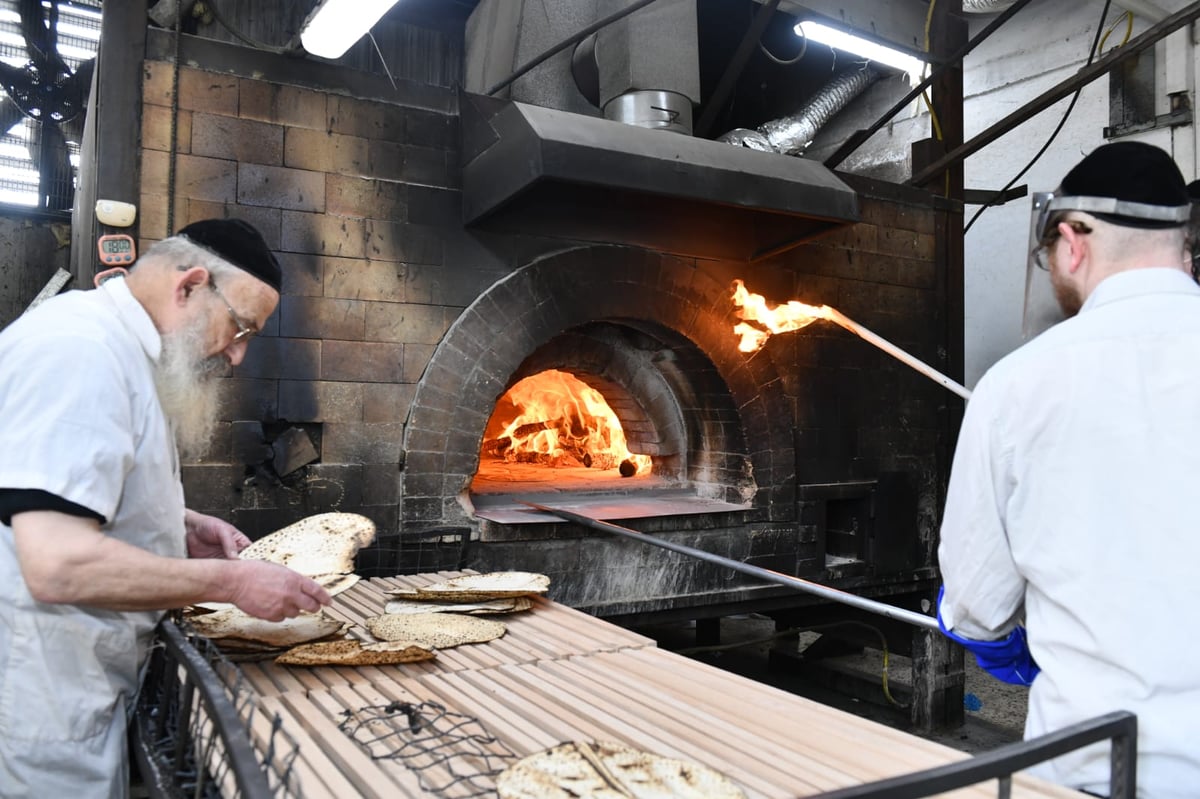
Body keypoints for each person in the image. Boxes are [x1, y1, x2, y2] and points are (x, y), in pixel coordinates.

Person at [0, 219, 333, 798]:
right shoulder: (78, 351)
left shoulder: (120, 351)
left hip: (79, 676)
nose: (236, 355)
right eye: (240, 327)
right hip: (42, 693)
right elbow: (55, 563)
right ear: (191, 286)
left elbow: (66, 495)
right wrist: (229, 582)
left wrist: (173, 524)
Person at [937, 141, 1200, 797]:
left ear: (1073, 241)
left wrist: (1002, 644)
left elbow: (973, 605)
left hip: (1089, 770)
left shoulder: (1019, 385)